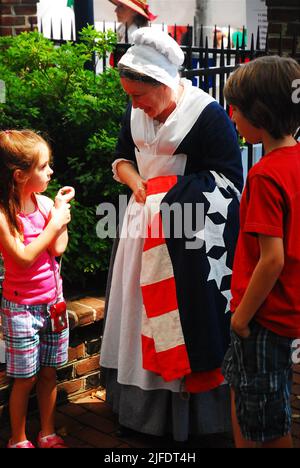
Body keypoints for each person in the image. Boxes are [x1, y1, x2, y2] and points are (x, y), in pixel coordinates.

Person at [100, 27, 243, 442]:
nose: (134, 104)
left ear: (163, 83)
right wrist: (134, 181)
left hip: (188, 245)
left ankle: (185, 419)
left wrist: (164, 194)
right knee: (135, 313)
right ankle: (139, 412)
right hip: (140, 231)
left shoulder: (208, 116)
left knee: (181, 321)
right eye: (129, 96)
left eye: (139, 96)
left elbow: (229, 182)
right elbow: (122, 157)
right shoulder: (136, 112)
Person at [222, 56, 300, 448]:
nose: (231, 115)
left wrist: (240, 318)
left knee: (268, 428)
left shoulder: (265, 174)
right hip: (282, 312)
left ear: (260, 112)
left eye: (236, 108)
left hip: (261, 319)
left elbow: (272, 259)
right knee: (248, 402)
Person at [0, 130, 75, 448]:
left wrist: (59, 214)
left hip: (52, 304)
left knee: (48, 372)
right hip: (21, 310)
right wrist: (55, 222)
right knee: (25, 378)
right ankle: (18, 439)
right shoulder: (4, 214)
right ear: (19, 176)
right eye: (44, 167)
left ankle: (47, 431)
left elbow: (57, 249)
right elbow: (24, 257)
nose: (50, 172)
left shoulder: (44, 204)